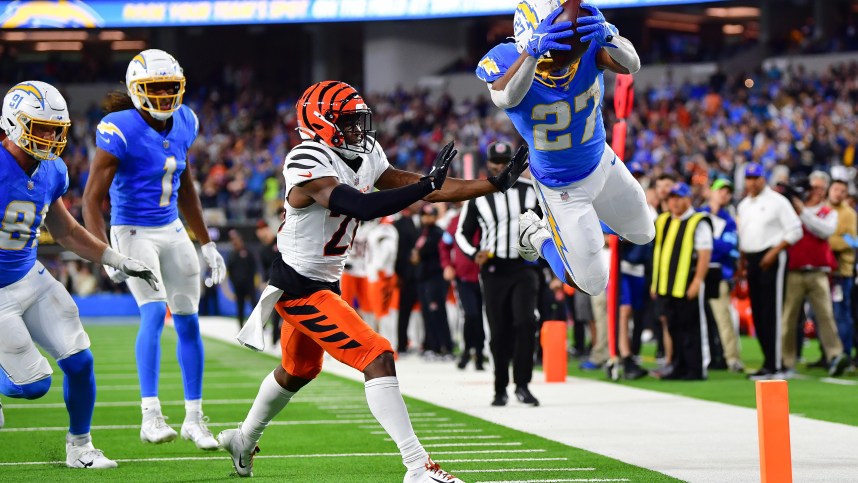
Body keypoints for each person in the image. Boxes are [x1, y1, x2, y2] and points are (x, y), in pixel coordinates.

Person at [220, 80, 528, 480]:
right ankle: (418, 466)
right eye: (347, 122)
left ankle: (243, 439)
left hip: (325, 283)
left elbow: (424, 190)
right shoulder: (305, 158)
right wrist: (425, 185)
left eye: (358, 121)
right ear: (320, 123)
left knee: (298, 371)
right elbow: (360, 205)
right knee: (377, 354)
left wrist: (490, 185)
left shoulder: (364, 154)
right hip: (299, 287)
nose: (357, 131)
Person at [0, 80, 159, 468]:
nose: (52, 137)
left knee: (80, 360)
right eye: (41, 128)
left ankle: (80, 446)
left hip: (29, 275)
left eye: (56, 129)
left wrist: (117, 260)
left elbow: (67, 231)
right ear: (13, 123)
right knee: (32, 385)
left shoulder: (52, 169)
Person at [81, 49, 226, 449]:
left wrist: (207, 241)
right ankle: (150, 415)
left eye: (170, 88)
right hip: (133, 231)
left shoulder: (185, 121)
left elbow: (188, 187)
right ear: (135, 89)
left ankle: (195, 418)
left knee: (189, 321)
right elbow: (91, 199)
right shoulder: (118, 127)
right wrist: (102, 250)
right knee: (152, 313)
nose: (164, 97)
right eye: (153, 88)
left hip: (173, 229)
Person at [476, 0, 655, 297]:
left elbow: (631, 64)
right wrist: (533, 54)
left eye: (565, 44)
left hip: (601, 162)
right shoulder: (507, 59)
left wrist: (609, 35)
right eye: (551, 48)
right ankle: (539, 238)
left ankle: (570, 233)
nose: (560, 58)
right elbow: (504, 98)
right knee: (593, 283)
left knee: (643, 233)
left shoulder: (587, 49)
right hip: (561, 188)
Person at [456, 140, 542, 406]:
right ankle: (500, 387)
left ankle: (523, 384)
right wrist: (473, 253)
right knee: (498, 329)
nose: (502, 167)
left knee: (526, 322)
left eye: (506, 163)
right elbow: (462, 233)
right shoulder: (479, 193)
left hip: (523, 266)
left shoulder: (532, 190)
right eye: (497, 163)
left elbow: (548, 224)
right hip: (493, 269)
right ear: (488, 164)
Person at [779, 171, 849, 377]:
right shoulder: (791, 210)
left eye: (821, 188)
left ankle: (835, 355)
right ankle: (786, 360)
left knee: (826, 316)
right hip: (794, 270)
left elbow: (824, 231)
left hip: (819, 272)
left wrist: (803, 212)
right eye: (814, 187)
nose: (817, 191)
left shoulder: (828, 212)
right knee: (789, 318)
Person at [737, 163, 802, 380]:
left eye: (756, 178)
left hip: (772, 256)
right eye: (749, 178)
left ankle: (776, 366)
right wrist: (744, 261)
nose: (752, 182)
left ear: (763, 179)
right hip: (753, 259)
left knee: (771, 311)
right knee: (758, 312)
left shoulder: (777, 201)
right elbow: (745, 235)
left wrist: (773, 253)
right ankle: (768, 362)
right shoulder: (744, 204)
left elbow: (795, 230)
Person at [651, 183, 713, 380]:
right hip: (666, 285)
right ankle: (677, 366)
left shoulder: (698, 221)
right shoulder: (663, 220)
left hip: (686, 284)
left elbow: (705, 253)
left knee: (692, 328)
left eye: (678, 198)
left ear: (688, 199)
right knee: (673, 327)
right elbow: (658, 252)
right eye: (671, 198)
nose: (674, 202)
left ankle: (695, 368)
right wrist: (655, 283)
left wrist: (697, 281)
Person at [699, 178, 743, 373]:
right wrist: (715, 243)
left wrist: (706, 244)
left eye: (727, 191)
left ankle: (732, 358)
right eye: (720, 190)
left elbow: (728, 248)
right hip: (697, 271)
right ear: (710, 192)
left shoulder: (729, 220)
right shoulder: (699, 215)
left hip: (719, 273)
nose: (724, 194)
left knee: (723, 318)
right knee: (697, 318)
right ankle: (702, 357)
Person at [439, 205, 484, 371]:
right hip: (464, 276)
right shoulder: (455, 221)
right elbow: (444, 245)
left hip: (487, 275)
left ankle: (479, 354)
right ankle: (468, 351)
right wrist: (447, 266)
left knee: (482, 316)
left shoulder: (487, 214)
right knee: (471, 314)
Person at [412, 204, 453, 358]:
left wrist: (418, 254)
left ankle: (445, 347)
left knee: (438, 312)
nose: (426, 218)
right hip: (423, 278)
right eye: (424, 215)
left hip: (435, 278)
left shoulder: (438, 233)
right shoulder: (421, 232)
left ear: (436, 216)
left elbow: (425, 252)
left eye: (430, 215)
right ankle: (431, 346)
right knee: (427, 314)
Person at [827, 179, 857, 363]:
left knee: (841, 314)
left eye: (842, 190)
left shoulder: (849, 214)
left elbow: (850, 241)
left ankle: (845, 354)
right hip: (824, 271)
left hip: (841, 272)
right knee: (824, 316)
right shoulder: (823, 209)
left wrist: (823, 241)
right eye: (835, 189)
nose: (838, 193)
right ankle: (829, 354)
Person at [393, 203, 420, 353]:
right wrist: (398, 273)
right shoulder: (399, 224)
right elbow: (398, 252)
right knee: (404, 311)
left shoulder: (424, 221)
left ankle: (427, 344)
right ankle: (402, 343)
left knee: (426, 312)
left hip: (423, 274)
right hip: (406, 274)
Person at [227, 230, 258, 328]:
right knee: (240, 306)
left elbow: (254, 266)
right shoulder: (232, 255)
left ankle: (259, 325)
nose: (235, 242)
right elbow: (230, 271)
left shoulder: (248, 252)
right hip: (238, 286)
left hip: (249, 284)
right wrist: (234, 283)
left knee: (254, 305)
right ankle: (240, 326)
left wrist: (251, 280)